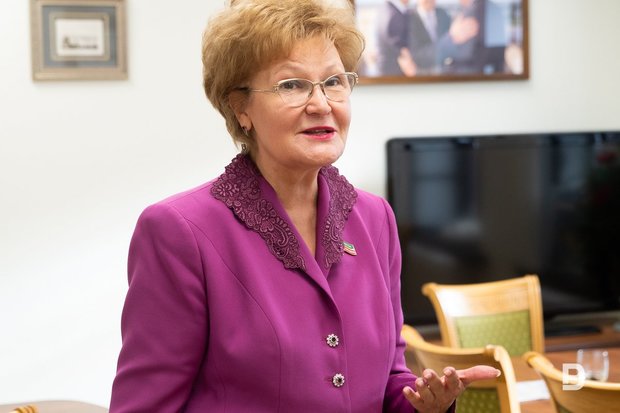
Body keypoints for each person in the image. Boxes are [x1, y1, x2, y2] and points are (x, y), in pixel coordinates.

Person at [109, 0, 500, 411]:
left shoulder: (375, 219)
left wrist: (425, 403)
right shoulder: (178, 231)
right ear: (241, 107)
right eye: (292, 85)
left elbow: (388, 380)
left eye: (334, 82)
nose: (321, 104)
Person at [405, 0, 452, 75]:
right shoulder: (409, 19)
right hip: (422, 72)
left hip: (446, 71)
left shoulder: (443, 15)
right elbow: (414, 52)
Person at [375, 0, 412, 76]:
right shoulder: (394, 14)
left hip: (385, 70)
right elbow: (399, 47)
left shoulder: (385, 9)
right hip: (394, 72)